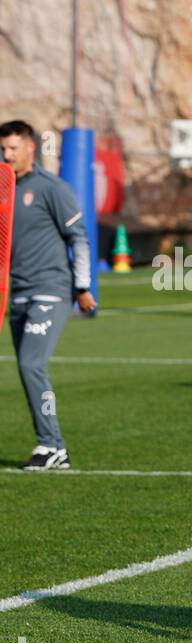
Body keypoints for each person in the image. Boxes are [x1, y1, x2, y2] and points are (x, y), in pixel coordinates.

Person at [0, 120, 95, 470]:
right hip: (16, 293)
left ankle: (52, 445)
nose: (6, 154)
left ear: (30, 149)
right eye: (3, 148)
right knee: (27, 372)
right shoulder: (3, 189)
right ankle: (51, 444)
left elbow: (79, 238)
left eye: (13, 148)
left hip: (50, 290)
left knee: (31, 364)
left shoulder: (51, 188)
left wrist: (82, 287)